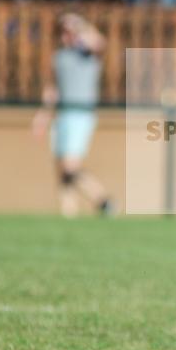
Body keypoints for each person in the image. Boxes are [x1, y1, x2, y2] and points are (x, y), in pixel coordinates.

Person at [32, 13, 114, 218]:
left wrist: (79, 24)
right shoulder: (59, 57)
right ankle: (68, 211)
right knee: (60, 165)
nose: (66, 36)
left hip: (81, 114)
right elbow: (53, 90)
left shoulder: (88, 55)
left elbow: (100, 43)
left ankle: (103, 200)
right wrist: (43, 117)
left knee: (70, 166)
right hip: (63, 114)